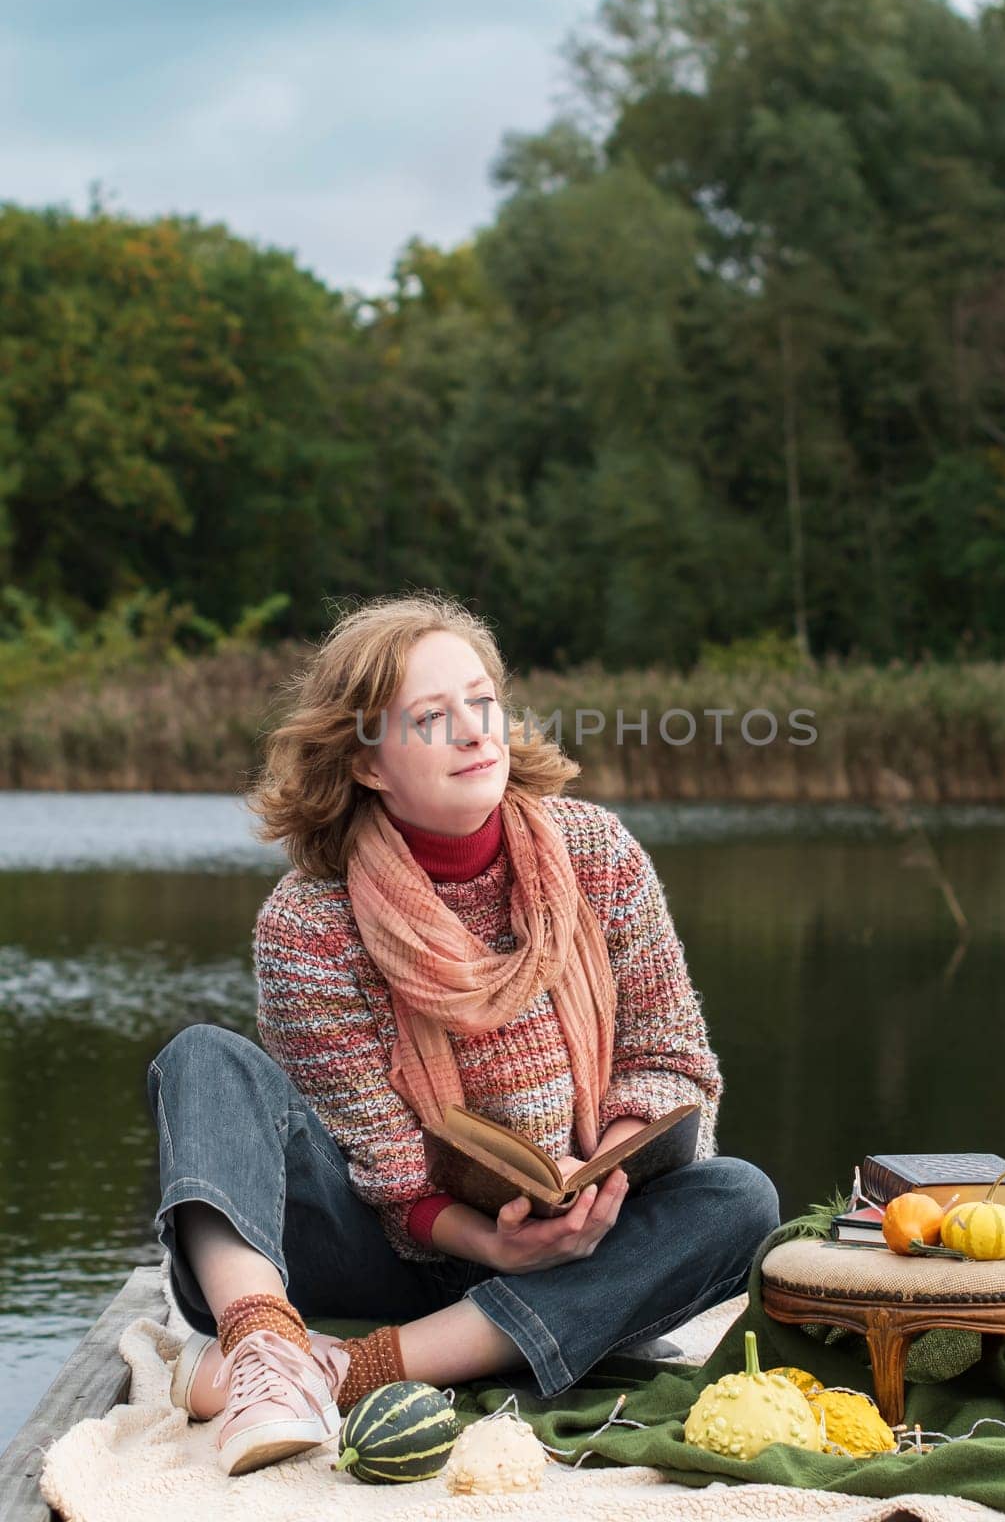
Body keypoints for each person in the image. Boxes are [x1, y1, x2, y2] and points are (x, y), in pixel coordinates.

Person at [147, 593, 780, 1475]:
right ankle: (261, 1344)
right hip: (380, 1248)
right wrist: (490, 1243)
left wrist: (597, 1175)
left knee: (742, 1199)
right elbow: (384, 1168)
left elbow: (670, 1061)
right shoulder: (308, 922)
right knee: (202, 1061)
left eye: (482, 703)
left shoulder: (597, 853)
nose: (475, 732)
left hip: (570, 1238)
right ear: (368, 763)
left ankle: (343, 1369)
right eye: (432, 718)